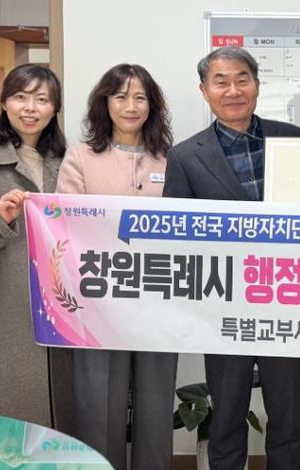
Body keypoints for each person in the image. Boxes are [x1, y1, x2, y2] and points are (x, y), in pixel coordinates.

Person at [163, 46, 300, 470]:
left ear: (257, 84)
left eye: (242, 79)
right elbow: (177, 237)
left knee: (287, 415)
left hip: (287, 299)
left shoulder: (294, 139)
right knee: (226, 415)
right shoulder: (185, 156)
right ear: (204, 90)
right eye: (221, 82)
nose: (233, 90)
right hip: (223, 306)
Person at [55, 64, 176, 470]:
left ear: (152, 105)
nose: (131, 106)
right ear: (104, 103)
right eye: (121, 96)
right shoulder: (80, 157)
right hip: (97, 303)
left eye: (140, 97)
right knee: (97, 402)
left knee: (156, 401)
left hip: (159, 299)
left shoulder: (171, 159)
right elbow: (66, 225)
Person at [0, 64, 72, 430]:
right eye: (20, 97)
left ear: (54, 108)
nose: (30, 108)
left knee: (61, 407)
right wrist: (1, 219)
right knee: (15, 407)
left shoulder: (67, 160)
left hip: (61, 298)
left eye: (42, 99)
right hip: (7, 301)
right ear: (4, 103)